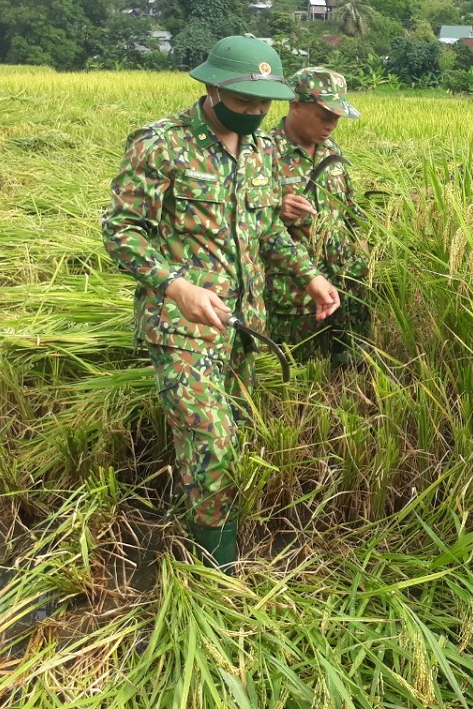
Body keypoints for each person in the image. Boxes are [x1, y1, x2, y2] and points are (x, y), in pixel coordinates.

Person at [101, 34, 341, 572]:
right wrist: (176, 286)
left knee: (235, 435)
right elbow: (122, 231)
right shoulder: (161, 144)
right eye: (243, 102)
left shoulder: (259, 151)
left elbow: (266, 229)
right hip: (182, 325)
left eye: (264, 105)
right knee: (214, 439)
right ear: (212, 89)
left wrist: (310, 275)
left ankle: (204, 516)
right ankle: (217, 573)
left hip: (243, 325)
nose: (254, 114)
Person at [265, 67, 370, 363]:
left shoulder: (329, 149)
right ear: (295, 106)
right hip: (294, 291)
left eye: (336, 117)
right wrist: (277, 209)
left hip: (346, 281)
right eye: (324, 116)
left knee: (350, 364)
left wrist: (362, 248)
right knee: (300, 371)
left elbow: (350, 205)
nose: (331, 125)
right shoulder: (264, 153)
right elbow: (245, 221)